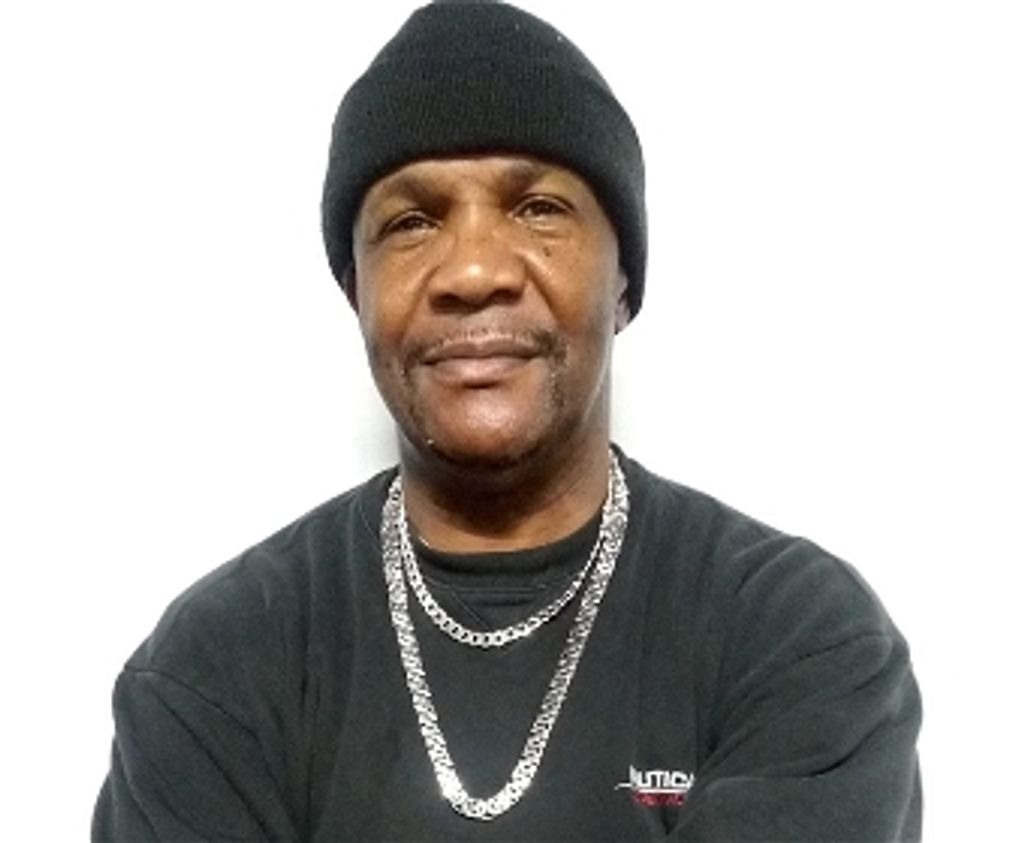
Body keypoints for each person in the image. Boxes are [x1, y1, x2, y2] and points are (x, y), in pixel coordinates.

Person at [93, 1, 921, 840]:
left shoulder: (797, 635)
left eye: (537, 208)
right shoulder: (218, 663)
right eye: (412, 222)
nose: (474, 270)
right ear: (356, 291)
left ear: (624, 279)